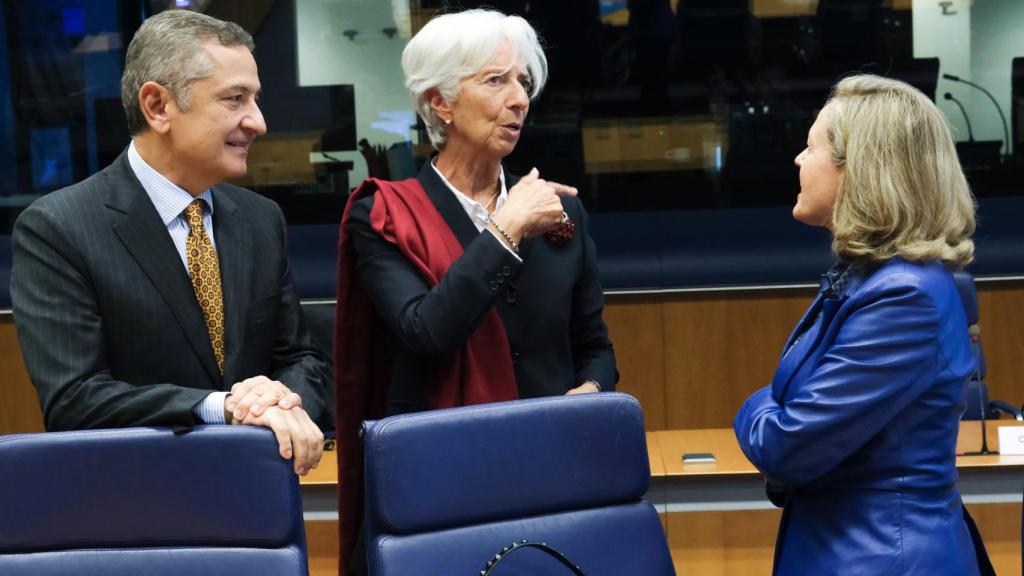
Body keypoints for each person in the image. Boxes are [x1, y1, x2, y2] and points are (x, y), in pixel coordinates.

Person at [334, 9, 617, 574]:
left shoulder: (565, 214)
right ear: (439, 101)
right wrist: (507, 229)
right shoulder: (384, 213)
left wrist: (590, 389)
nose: (519, 99)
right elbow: (426, 332)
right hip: (436, 485)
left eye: (523, 82)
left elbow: (596, 347)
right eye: (496, 81)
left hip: (549, 476)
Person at [10, 10, 328, 476]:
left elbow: (302, 357)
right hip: (139, 508)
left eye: (255, 99)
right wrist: (223, 407)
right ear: (158, 106)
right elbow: (75, 399)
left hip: (260, 495)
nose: (258, 122)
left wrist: (280, 397)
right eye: (235, 99)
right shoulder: (58, 227)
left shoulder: (260, 220)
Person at [734, 74, 992, 575]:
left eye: (810, 148)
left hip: (882, 559)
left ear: (860, 172)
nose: (798, 160)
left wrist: (753, 406)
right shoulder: (869, 277)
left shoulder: (904, 295)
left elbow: (786, 444)